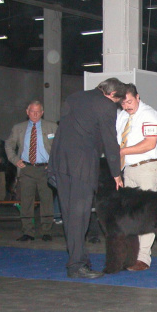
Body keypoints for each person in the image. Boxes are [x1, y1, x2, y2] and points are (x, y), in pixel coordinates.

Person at [48, 78, 125, 279]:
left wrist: (52, 166)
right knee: (80, 217)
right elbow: (110, 141)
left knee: (69, 216)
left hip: (60, 163)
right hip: (81, 166)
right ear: (111, 95)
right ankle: (77, 265)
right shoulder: (106, 105)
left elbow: (61, 131)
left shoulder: (75, 97)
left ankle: (78, 258)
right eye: (118, 102)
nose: (116, 105)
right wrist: (116, 172)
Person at [116, 83, 157, 272]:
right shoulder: (122, 116)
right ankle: (131, 255)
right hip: (128, 169)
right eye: (122, 103)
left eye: (129, 101)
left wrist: (121, 151)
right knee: (130, 215)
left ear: (138, 97)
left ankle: (143, 257)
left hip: (147, 167)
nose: (126, 106)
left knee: (146, 214)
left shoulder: (150, 115)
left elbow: (150, 144)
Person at [6, 101, 57, 242]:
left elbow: (59, 147)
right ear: (27, 112)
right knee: (26, 201)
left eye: (38, 111)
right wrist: (15, 159)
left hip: (46, 169)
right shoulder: (18, 128)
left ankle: (47, 231)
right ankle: (28, 231)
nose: (35, 114)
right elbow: (9, 144)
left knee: (47, 201)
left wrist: (53, 164)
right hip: (26, 169)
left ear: (42, 112)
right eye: (32, 111)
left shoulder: (52, 127)